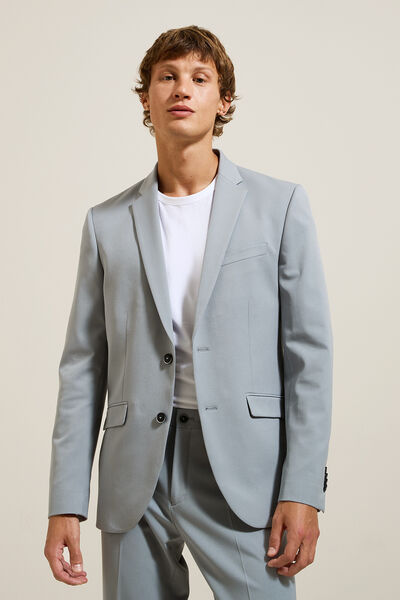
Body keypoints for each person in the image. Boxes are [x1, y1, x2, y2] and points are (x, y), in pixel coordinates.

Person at [44, 25, 333, 599]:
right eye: (167, 77)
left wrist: (302, 489)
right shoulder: (106, 223)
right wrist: (65, 502)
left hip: (243, 468)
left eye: (200, 78)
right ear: (145, 97)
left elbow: (309, 358)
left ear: (223, 100)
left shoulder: (279, 206)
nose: (182, 88)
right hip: (135, 473)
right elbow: (82, 367)